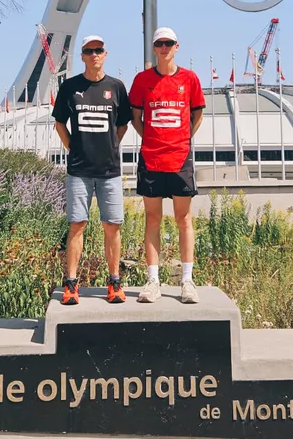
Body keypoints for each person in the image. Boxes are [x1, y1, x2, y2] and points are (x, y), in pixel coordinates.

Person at [53, 35, 131, 305]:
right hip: (79, 171)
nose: (94, 54)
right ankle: (71, 283)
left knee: (112, 225)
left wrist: (111, 145)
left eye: (99, 50)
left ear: (105, 54)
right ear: (82, 56)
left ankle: (114, 282)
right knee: (77, 225)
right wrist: (72, 147)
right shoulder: (70, 87)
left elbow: (123, 124)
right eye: (89, 51)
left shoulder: (116, 87)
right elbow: (59, 123)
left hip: (109, 171)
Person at [129, 27, 205, 304]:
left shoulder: (190, 79)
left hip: (179, 159)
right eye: (159, 43)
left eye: (168, 43)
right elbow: (135, 118)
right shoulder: (142, 80)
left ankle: (187, 281)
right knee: (152, 219)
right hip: (151, 158)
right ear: (154, 47)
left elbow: (197, 115)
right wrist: (151, 139)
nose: (164, 48)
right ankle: (153, 281)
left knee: (184, 219)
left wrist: (182, 139)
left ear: (176, 46)